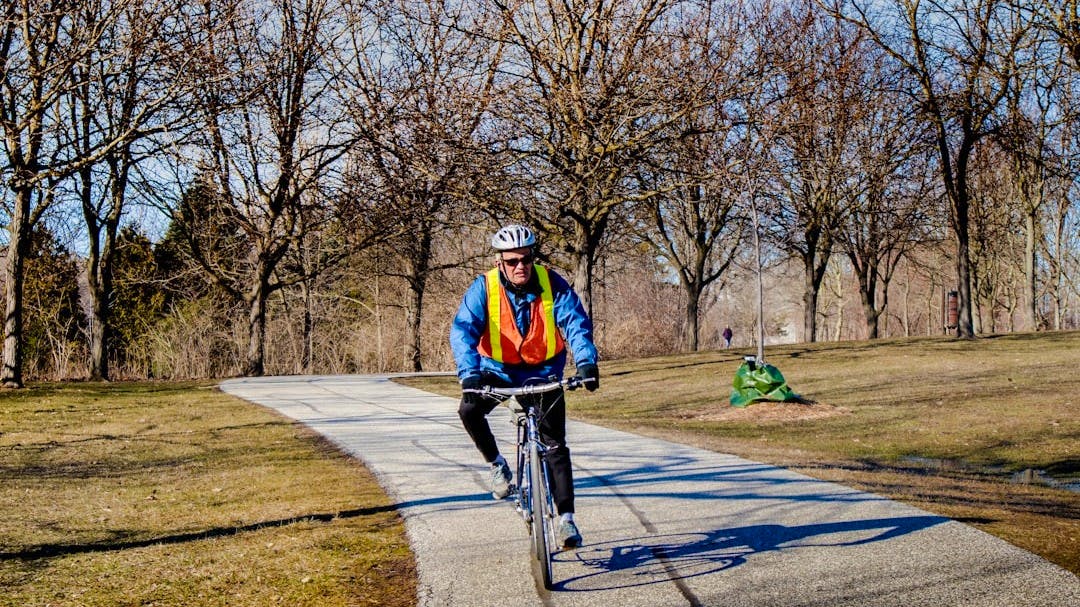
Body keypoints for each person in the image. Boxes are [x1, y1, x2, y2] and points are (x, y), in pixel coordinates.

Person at [450, 224, 599, 549]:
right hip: (497, 371)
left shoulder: (551, 284)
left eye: (526, 259)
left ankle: (566, 521)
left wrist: (586, 362)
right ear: (500, 262)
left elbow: (575, 322)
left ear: (533, 257)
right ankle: (497, 466)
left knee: (555, 446)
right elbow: (462, 330)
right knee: (469, 409)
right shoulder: (484, 288)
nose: (520, 266)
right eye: (513, 261)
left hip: (544, 372)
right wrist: (469, 374)